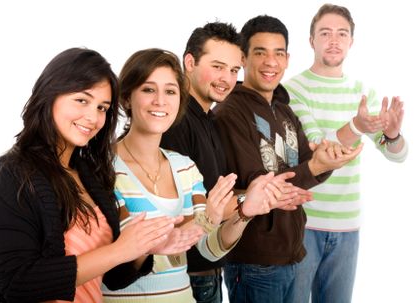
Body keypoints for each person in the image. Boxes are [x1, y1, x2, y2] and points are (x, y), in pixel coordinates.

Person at [0, 47, 190, 303]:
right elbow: (16, 282)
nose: (93, 117)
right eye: (82, 100)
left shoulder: (90, 173)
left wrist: (141, 250)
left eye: (102, 107)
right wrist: (119, 249)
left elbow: (111, 277)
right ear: (51, 95)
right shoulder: (13, 175)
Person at [102, 48, 294, 303]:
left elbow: (208, 248)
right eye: (148, 89)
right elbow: (114, 266)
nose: (161, 100)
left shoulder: (185, 166)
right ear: (127, 98)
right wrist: (202, 221)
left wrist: (244, 213)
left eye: (170, 91)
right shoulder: (102, 167)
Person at [213, 14, 364, 303]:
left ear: (287, 58)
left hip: (292, 255)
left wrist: (327, 159)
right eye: (260, 53)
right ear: (242, 58)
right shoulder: (231, 112)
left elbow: (309, 162)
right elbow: (262, 186)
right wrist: (315, 166)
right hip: (254, 262)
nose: (271, 62)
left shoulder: (283, 110)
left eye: (278, 53)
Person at [160, 22, 310, 303]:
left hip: (209, 265)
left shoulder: (207, 118)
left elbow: (213, 197)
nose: (226, 79)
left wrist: (250, 198)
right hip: (184, 275)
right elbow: (180, 212)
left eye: (232, 70)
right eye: (217, 67)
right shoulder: (175, 123)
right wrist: (250, 201)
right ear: (189, 62)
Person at [284, 4, 408, 302]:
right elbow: (317, 147)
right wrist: (356, 125)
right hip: (304, 223)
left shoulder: (362, 92)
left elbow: (397, 155)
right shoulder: (293, 90)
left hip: (348, 226)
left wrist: (392, 135)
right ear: (311, 40)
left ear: (352, 41)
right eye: (325, 33)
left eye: (342, 34)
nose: (334, 40)